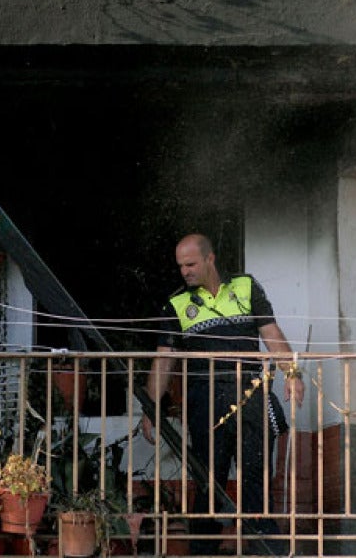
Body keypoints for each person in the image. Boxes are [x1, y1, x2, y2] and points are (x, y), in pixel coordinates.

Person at [141, 233, 305, 555]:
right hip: (205, 399)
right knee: (208, 479)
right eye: (180, 266)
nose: (185, 271)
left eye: (190, 264)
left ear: (210, 259)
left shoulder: (245, 286)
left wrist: (292, 373)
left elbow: (272, 333)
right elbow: (164, 360)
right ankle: (203, 550)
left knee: (256, 477)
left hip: (251, 394)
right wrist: (150, 409)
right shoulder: (177, 303)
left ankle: (264, 550)